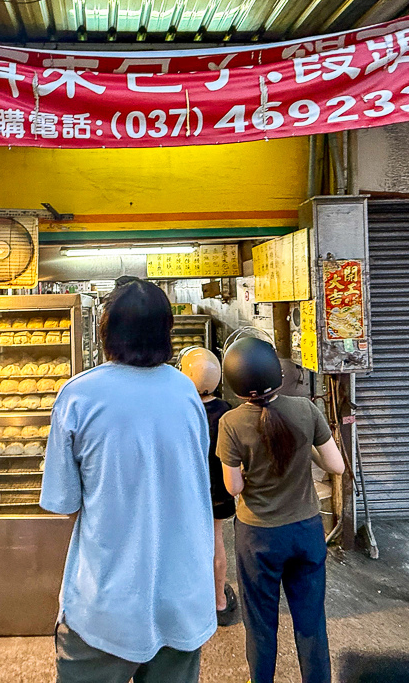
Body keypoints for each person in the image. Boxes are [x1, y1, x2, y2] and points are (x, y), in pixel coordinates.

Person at [40, 278, 216, 683]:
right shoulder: (187, 392)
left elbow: (64, 503)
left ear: (106, 331)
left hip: (107, 609)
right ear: (166, 334)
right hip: (184, 600)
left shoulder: (79, 396)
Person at [217, 336, 346, 683]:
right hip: (306, 531)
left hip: (258, 537)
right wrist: (306, 448)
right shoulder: (306, 410)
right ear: (277, 372)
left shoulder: (231, 423)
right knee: (311, 621)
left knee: (261, 623)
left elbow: (234, 488)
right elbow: (336, 466)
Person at [176, 346, 240, 627]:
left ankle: (187, 600)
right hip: (218, 492)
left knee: (185, 543)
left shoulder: (179, 409)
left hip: (185, 493)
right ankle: (218, 601)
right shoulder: (227, 411)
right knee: (216, 541)